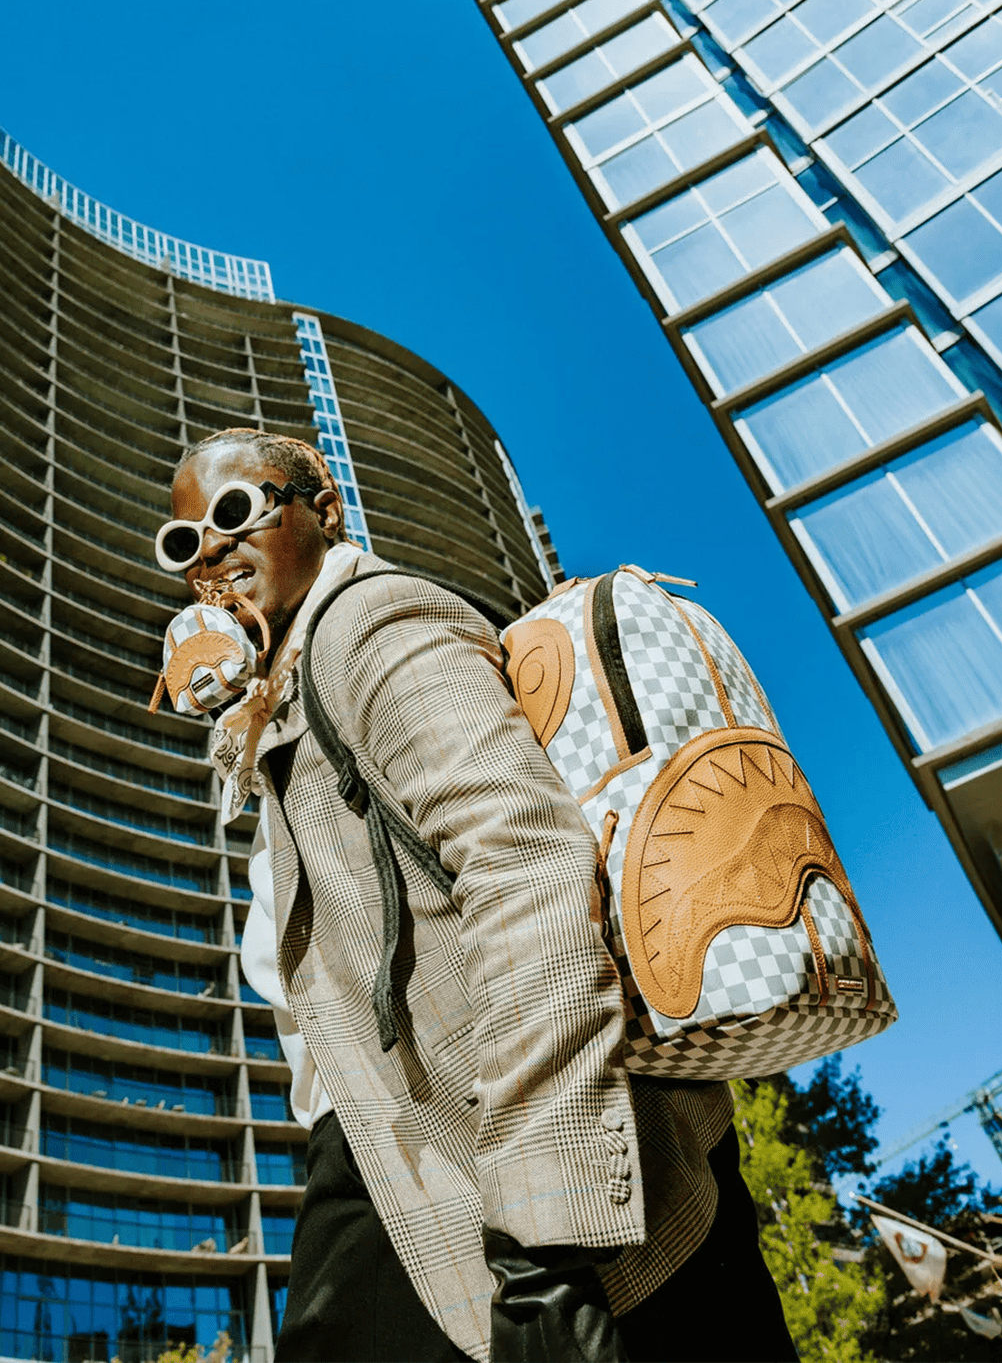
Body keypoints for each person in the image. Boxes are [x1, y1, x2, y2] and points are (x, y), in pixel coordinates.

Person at [160, 428, 796, 1363]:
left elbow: (527, 866)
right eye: (183, 542)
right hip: (387, 1149)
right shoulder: (281, 709)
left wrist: (548, 1229)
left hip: (513, 1154)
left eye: (235, 512)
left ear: (323, 511)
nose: (209, 549)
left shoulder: (372, 628)